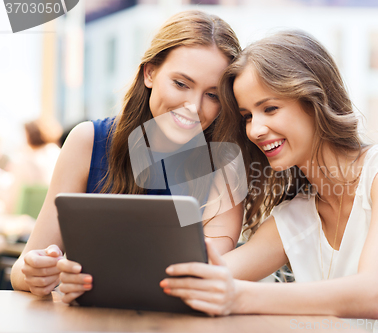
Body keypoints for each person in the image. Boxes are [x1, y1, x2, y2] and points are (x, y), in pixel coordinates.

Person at [159, 31, 378, 332]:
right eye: (248, 116)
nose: (255, 130)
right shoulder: (297, 217)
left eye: (270, 108)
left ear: (314, 101)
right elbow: (206, 275)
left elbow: (372, 294)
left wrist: (238, 296)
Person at [10, 10, 244, 303]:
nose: (193, 106)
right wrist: (38, 273)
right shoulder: (88, 141)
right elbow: (21, 270)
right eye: (181, 84)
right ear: (150, 73)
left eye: (213, 95)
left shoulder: (224, 165)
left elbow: (206, 276)